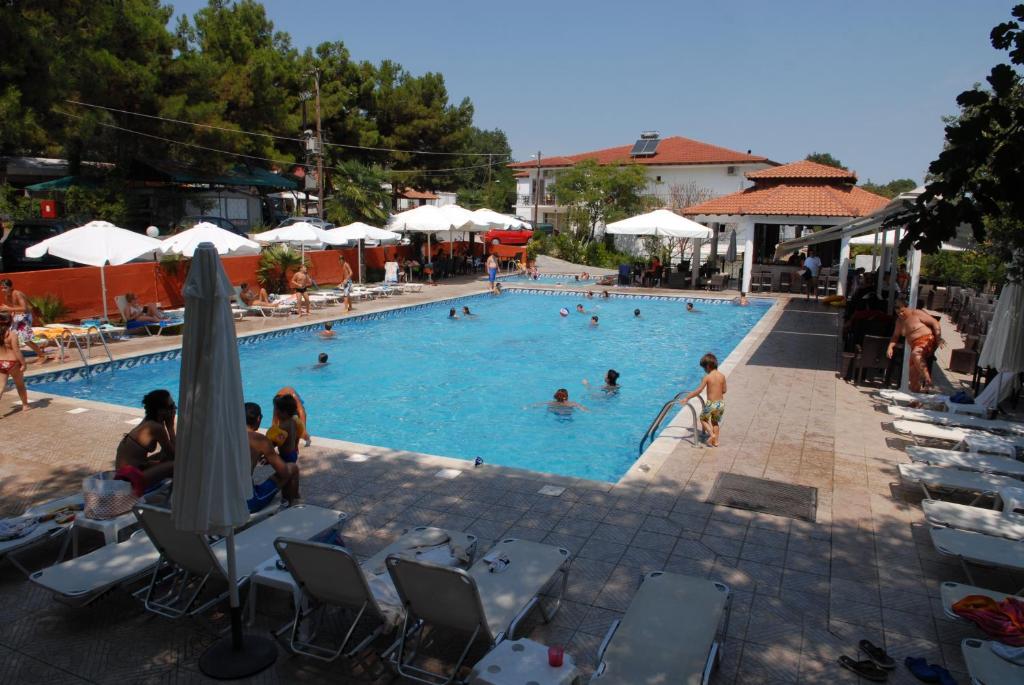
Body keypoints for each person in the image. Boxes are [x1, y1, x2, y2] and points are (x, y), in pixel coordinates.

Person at [115, 389, 176, 492]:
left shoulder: (149, 420)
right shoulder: (156, 428)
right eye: (171, 406)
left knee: (165, 458)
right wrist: (170, 427)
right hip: (129, 481)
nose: (174, 409)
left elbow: (165, 453)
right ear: (161, 410)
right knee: (177, 465)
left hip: (124, 474)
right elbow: (173, 456)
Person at [245, 402, 300, 510]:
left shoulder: (225, 436)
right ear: (258, 419)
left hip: (223, 499)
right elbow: (283, 471)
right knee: (292, 468)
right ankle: (291, 508)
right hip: (247, 502)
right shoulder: (260, 440)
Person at [888, 298, 944, 392]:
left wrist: (939, 338)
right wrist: (890, 347)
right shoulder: (899, 322)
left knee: (916, 353)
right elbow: (895, 336)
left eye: (902, 311)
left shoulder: (916, 313)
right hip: (914, 345)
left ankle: (928, 382)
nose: (900, 314)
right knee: (913, 379)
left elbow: (934, 322)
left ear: (907, 308)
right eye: (898, 312)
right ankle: (916, 402)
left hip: (927, 340)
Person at [680, 353, 727, 447]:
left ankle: (712, 434)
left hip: (711, 404)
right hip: (720, 403)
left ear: (708, 366)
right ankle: (716, 442)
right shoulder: (722, 376)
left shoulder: (707, 377)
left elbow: (698, 390)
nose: (704, 370)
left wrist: (687, 397)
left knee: (703, 419)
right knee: (715, 422)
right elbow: (724, 390)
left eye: (704, 368)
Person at [0, 279, 46, 363]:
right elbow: (14, 308)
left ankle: (42, 356)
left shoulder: (17, 294)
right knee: (9, 337)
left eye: (5, 288)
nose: (3, 290)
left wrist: (8, 308)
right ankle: (14, 357)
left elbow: (24, 308)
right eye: (2, 288)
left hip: (25, 317)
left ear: (11, 287)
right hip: (17, 318)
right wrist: (10, 314)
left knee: (25, 339)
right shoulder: (7, 296)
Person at [0, 313, 30, 411]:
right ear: (10, 321)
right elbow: (16, 350)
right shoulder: (12, 333)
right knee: (20, 385)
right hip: (13, 362)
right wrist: (23, 363)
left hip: (1, 362)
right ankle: (25, 405)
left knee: (1, 387)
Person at [269, 392, 305, 463]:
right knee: (288, 470)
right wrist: (295, 446)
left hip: (286, 456)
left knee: (283, 471)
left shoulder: (283, 426)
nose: (275, 412)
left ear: (284, 413)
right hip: (292, 453)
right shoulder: (293, 421)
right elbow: (298, 434)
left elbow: (277, 441)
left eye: (276, 410)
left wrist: (267, 452)